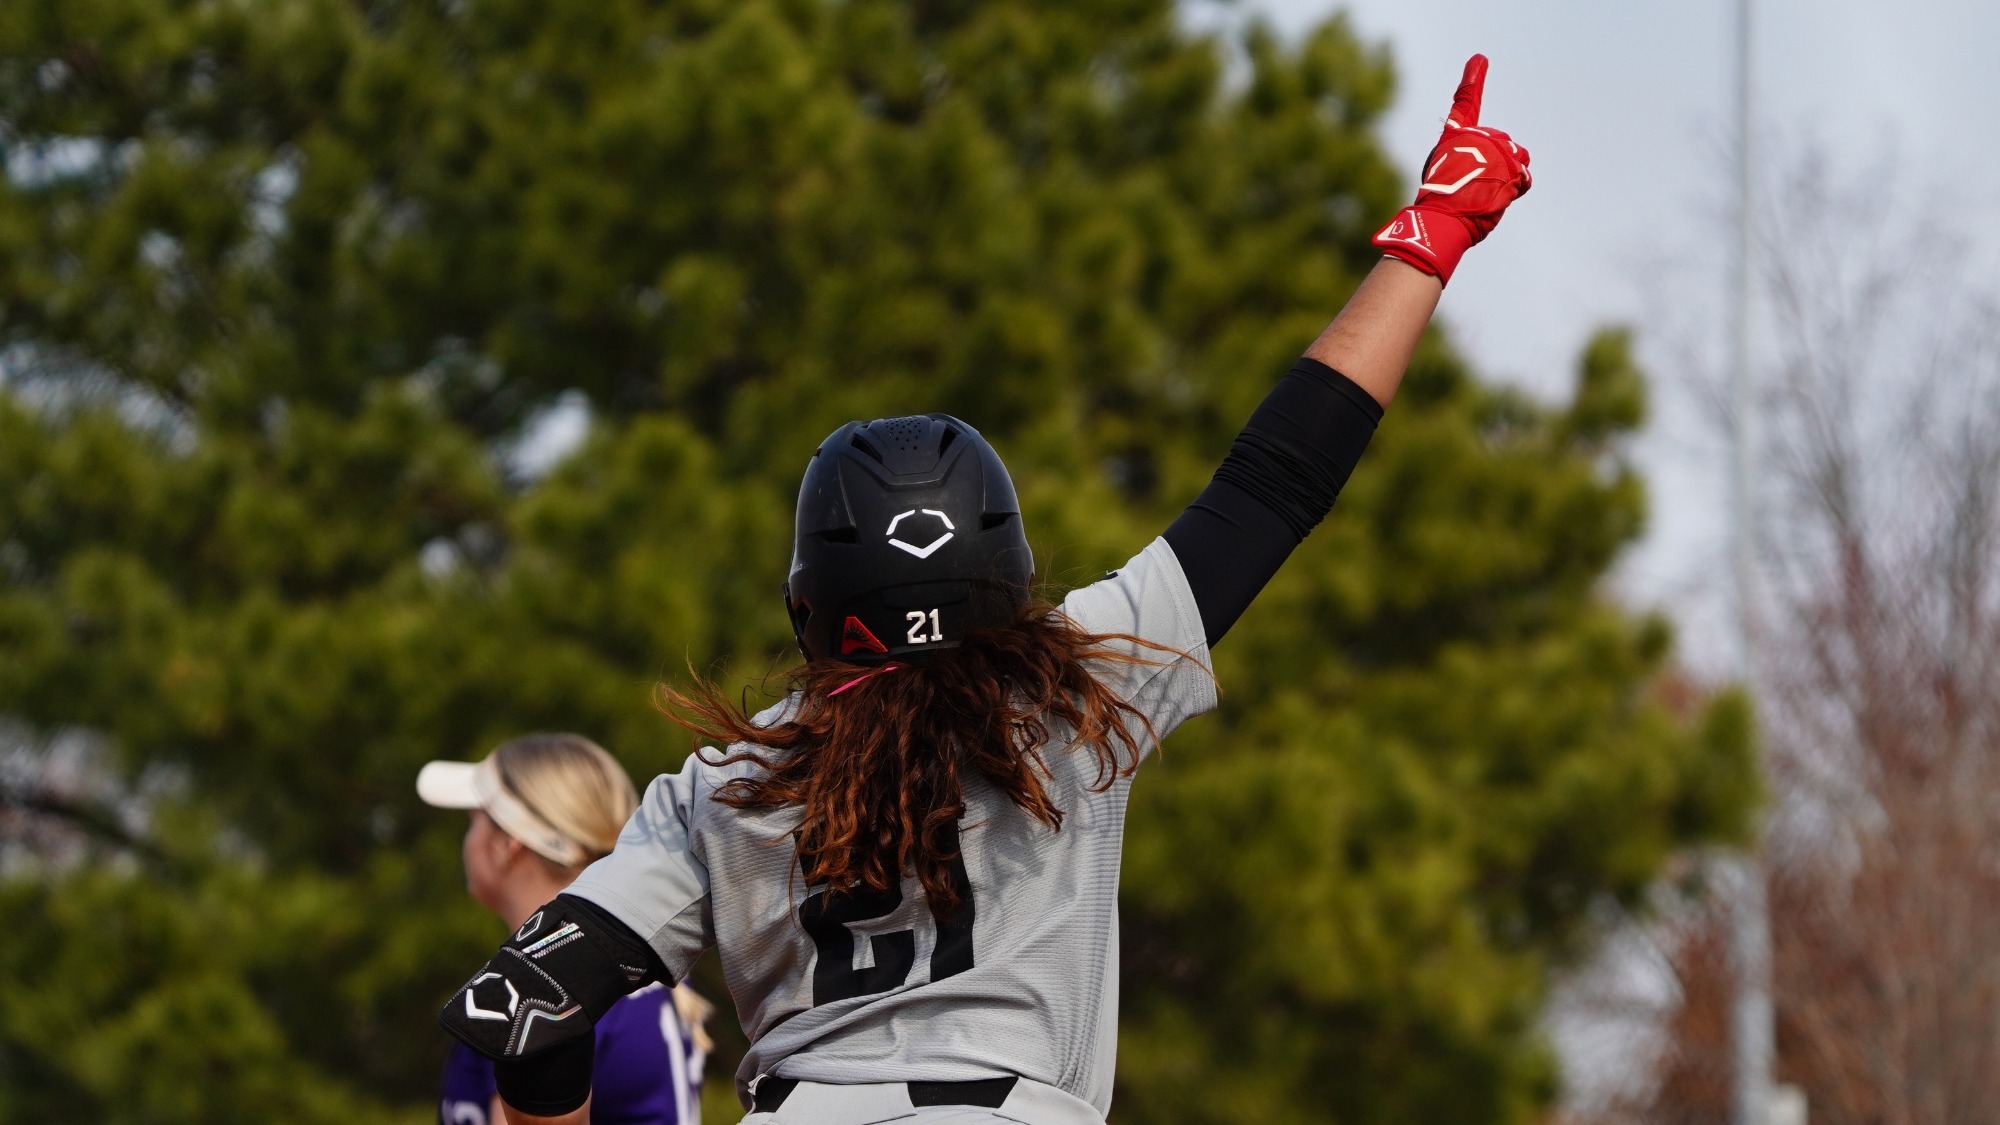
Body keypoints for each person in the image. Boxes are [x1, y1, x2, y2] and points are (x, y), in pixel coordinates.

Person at [438, 56, 1531, 1125]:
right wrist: (1426, 241)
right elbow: (1274, 483)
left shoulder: (727, 785)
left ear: (806, 608)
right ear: (1005, 586)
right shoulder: (1073, 687)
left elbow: (530, 1009)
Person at [420, 733, 713, 1125]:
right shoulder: (633, 970)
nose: (467, 837)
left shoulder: (538, 992)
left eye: (474, 819)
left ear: (508, 843)